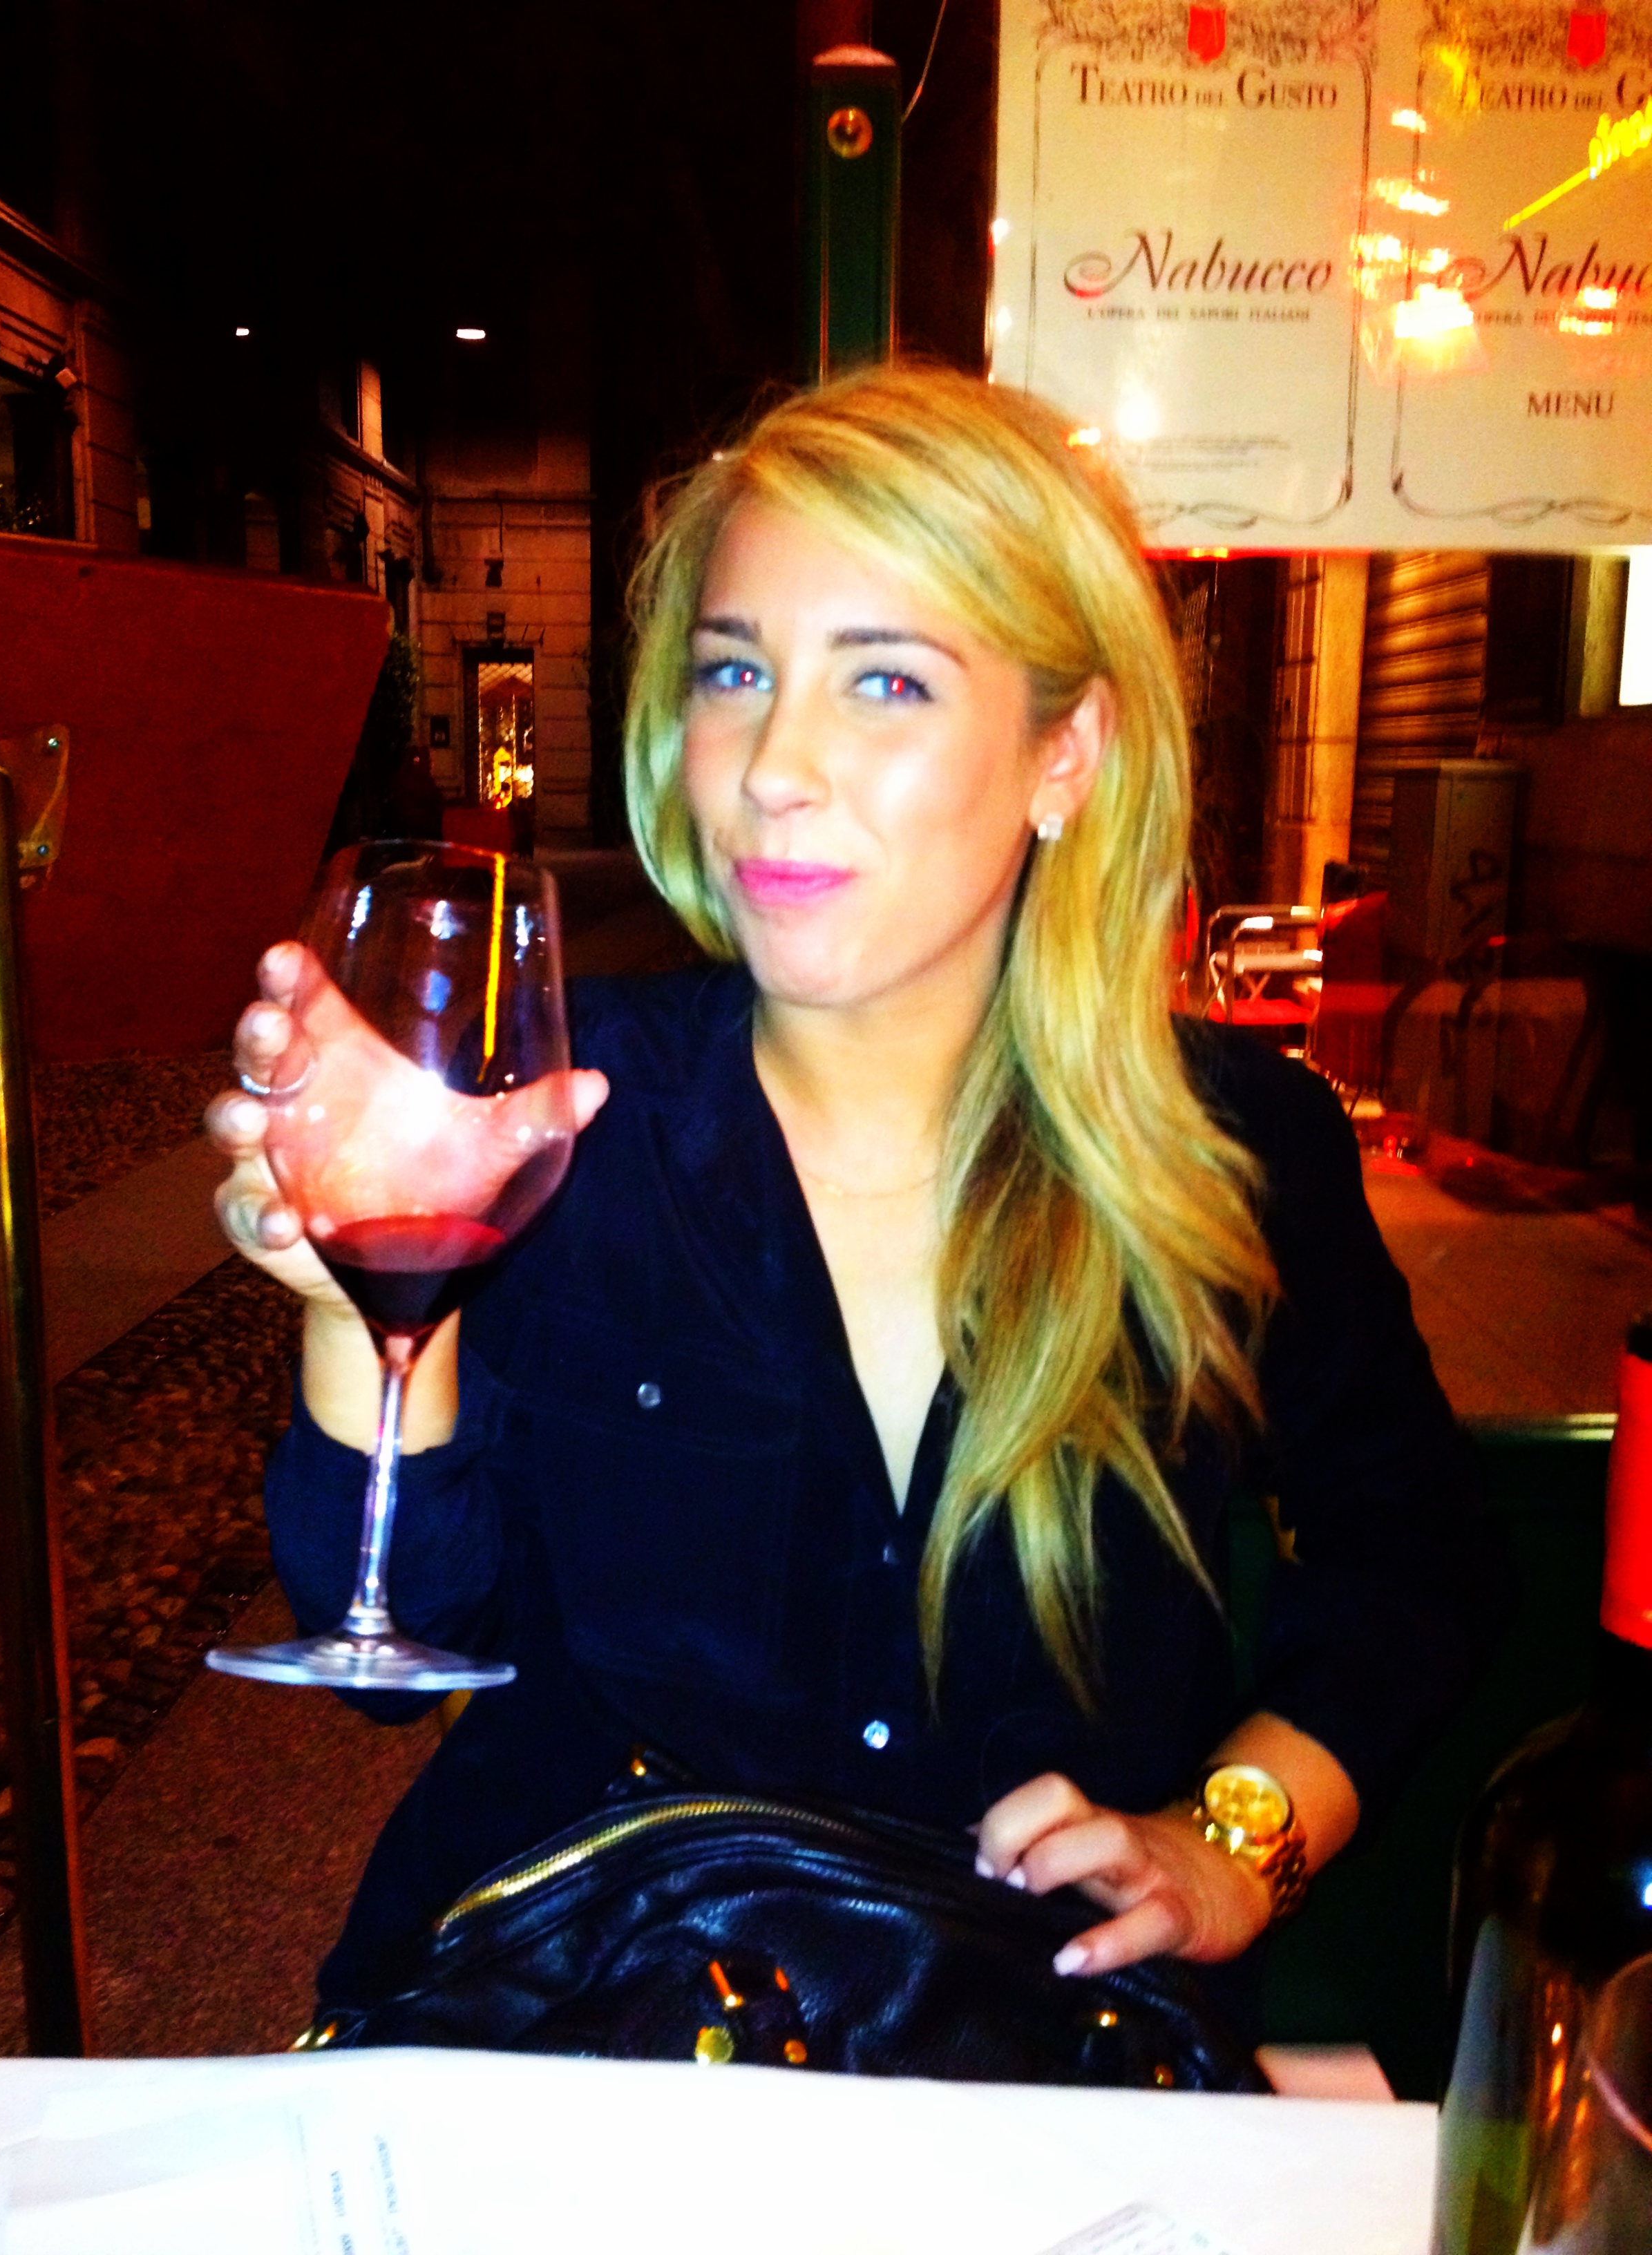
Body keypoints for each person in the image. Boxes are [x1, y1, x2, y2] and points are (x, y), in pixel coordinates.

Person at [209, 362, 1503, 2026]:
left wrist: (1235, 1839)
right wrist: (360, 1303)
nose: (774, 765)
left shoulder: (1241, 1147)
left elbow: (1416, 1559)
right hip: (572, 2035)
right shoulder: (554, 1110)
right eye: (736, 672)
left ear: (1065, 753)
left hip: (1020, 2048)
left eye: (885, 681)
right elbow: (389, 1641)